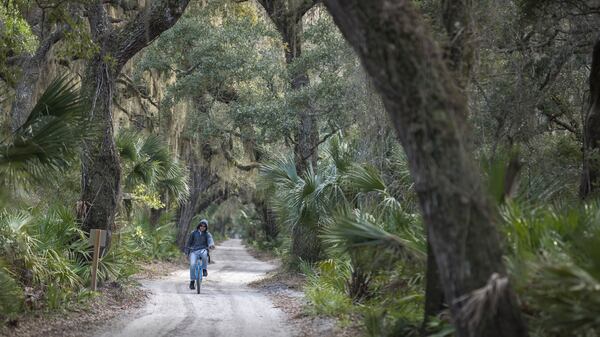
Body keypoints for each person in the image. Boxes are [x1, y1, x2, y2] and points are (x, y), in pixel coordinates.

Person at [185, 219, 215, 290]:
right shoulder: (193, 233)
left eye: (204, 226)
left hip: (203, 249)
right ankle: (192, 281)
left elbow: (210, 240)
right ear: (199, 225)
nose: (202, 227)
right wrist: (187, 251)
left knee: (205, 255)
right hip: (193, 251)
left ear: (206, 227)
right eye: (201, 225)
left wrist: (211, 245)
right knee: (192, 265)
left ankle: (204, 269)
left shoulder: (207, 234)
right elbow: (189, 243)